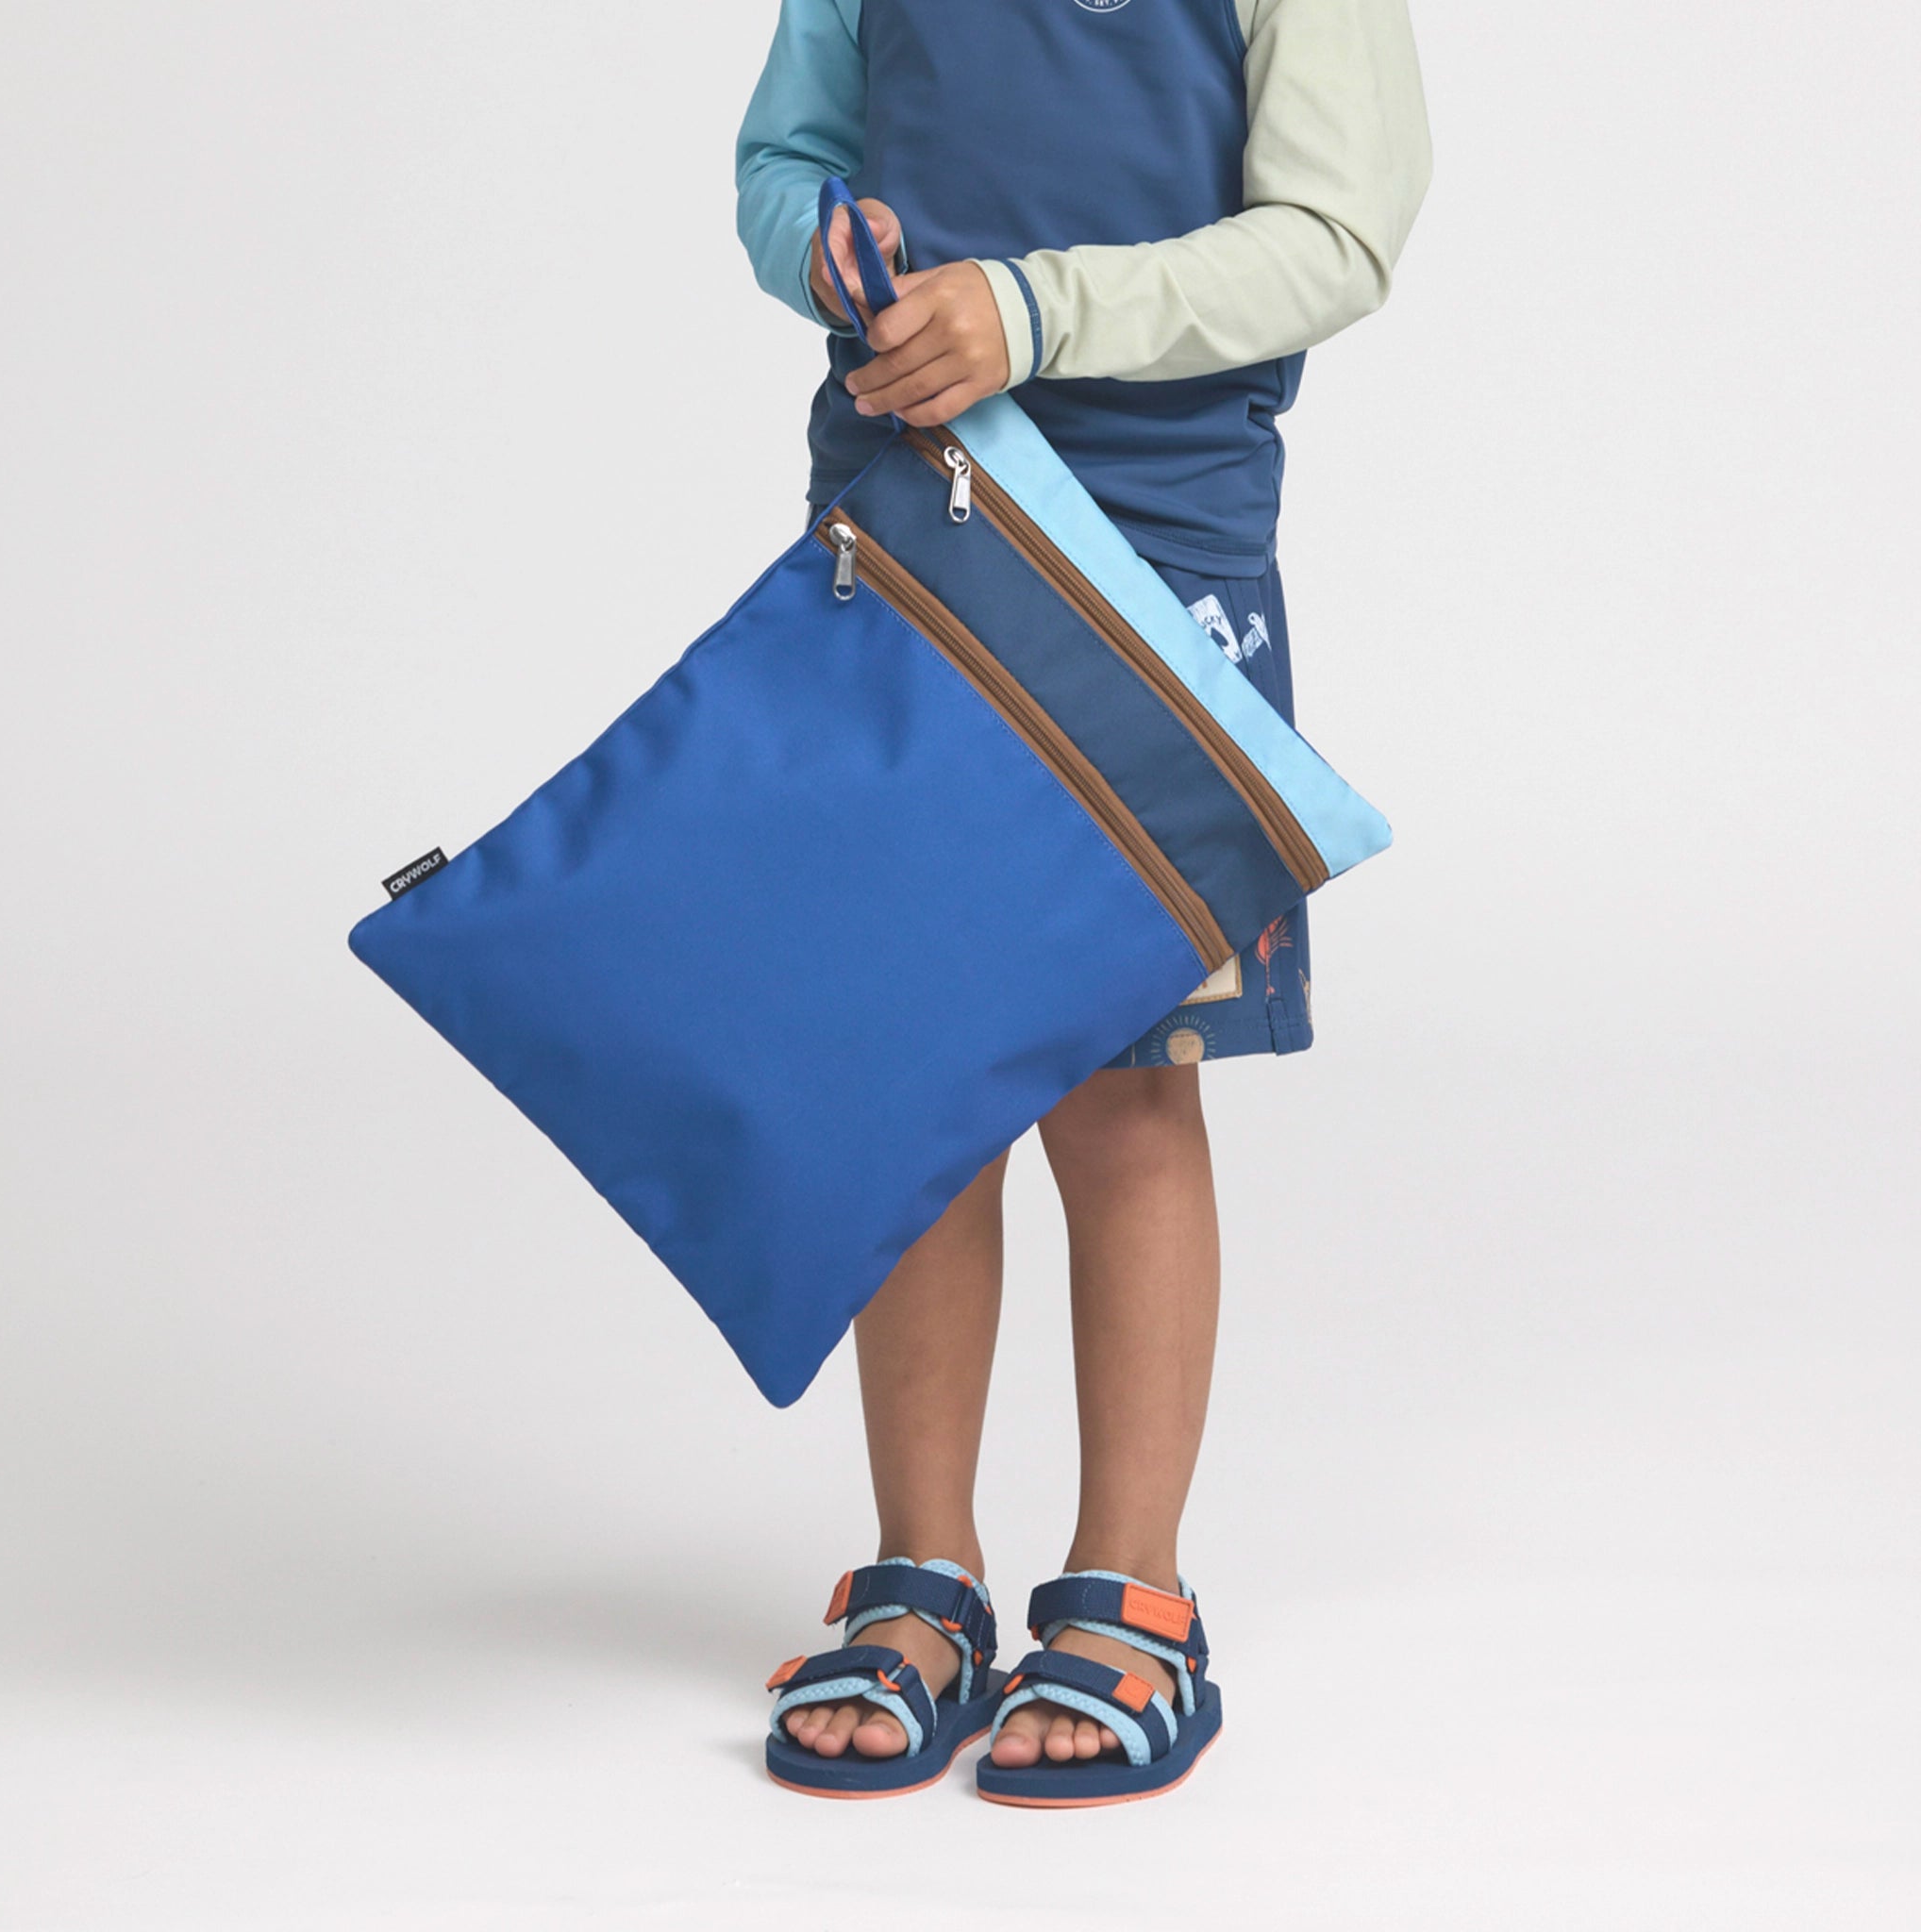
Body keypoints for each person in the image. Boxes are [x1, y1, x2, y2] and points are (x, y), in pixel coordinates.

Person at [736, 0, 1430, 1805]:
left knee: (1127, 1083)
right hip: (908, 517)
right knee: (918, 1083)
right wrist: (820, 245)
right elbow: (785, 158)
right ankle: (925, 1575)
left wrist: (1036, 312)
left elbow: (1339, 234)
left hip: (1152, 546)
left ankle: (1135, 1591)